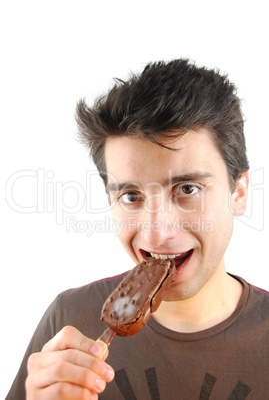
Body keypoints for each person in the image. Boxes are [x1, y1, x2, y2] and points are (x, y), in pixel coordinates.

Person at [6, 59, 269, 400]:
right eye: (131, 195)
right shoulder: (68, 320)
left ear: (239, 192)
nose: (157, 233)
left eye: (187, 189)